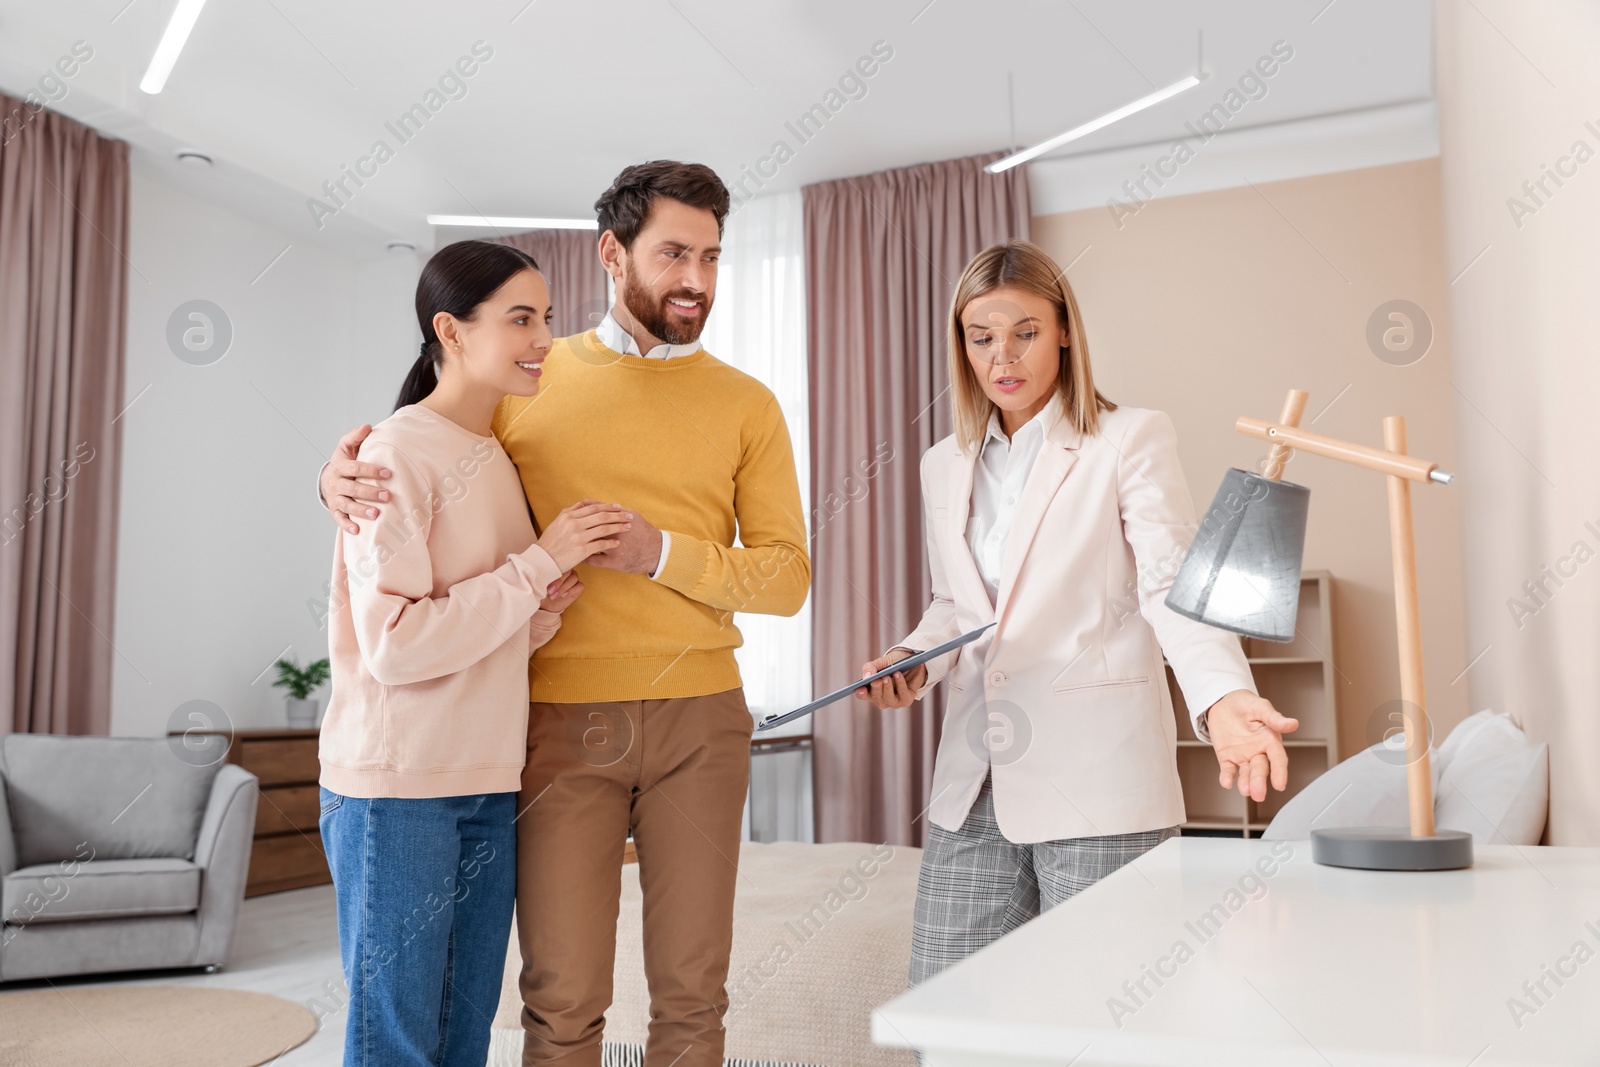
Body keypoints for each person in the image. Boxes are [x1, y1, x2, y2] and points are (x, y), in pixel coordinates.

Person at [319, 162, 810, 1067]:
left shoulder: (749, 404)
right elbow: (423, 455)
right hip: (550, 720)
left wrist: (659, 551)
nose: (695, 278)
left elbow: (785, 578)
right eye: (672, 252)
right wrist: (334, 477)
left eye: (710, 255)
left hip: (702, 716)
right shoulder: (530, 381)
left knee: (694, 992)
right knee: (560, 995)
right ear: (613, 254)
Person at [856, 238, 1299, 986]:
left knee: (1104, 1020)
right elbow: (955, 605)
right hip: (973, 784)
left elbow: (1170, 583)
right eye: (982, 336)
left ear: (1064, 329)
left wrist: (1223, 697)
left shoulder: (1128, 438)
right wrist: (912, 660)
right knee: (949, 1020)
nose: (1004, 356)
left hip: (1101, 785)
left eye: (1026, 331)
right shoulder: (945, 463)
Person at [319, 239, 633, 1067]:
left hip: (486, 780)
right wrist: (533, 567)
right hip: (400, 788)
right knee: (398, 1045)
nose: (544, 339)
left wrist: (539, 608)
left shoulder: (493, 451)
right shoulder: (393, 453)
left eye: (549, 319)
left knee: (462, 1041)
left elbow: (473, 630)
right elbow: (395, 645)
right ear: (450, 331)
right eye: (520, 319)